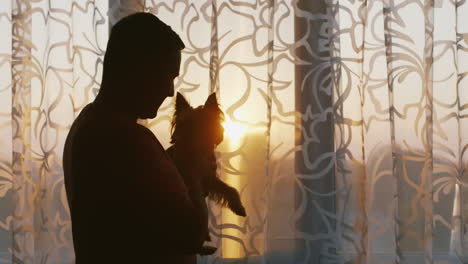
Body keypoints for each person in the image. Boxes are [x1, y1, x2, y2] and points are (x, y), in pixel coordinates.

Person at [63, 13, 209, 263]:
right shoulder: (128, 140)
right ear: (139, 68)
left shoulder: (88, 125)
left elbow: (142, 218)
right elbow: (193, 235)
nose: (170, 91)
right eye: (167, 76)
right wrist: (191, 169)